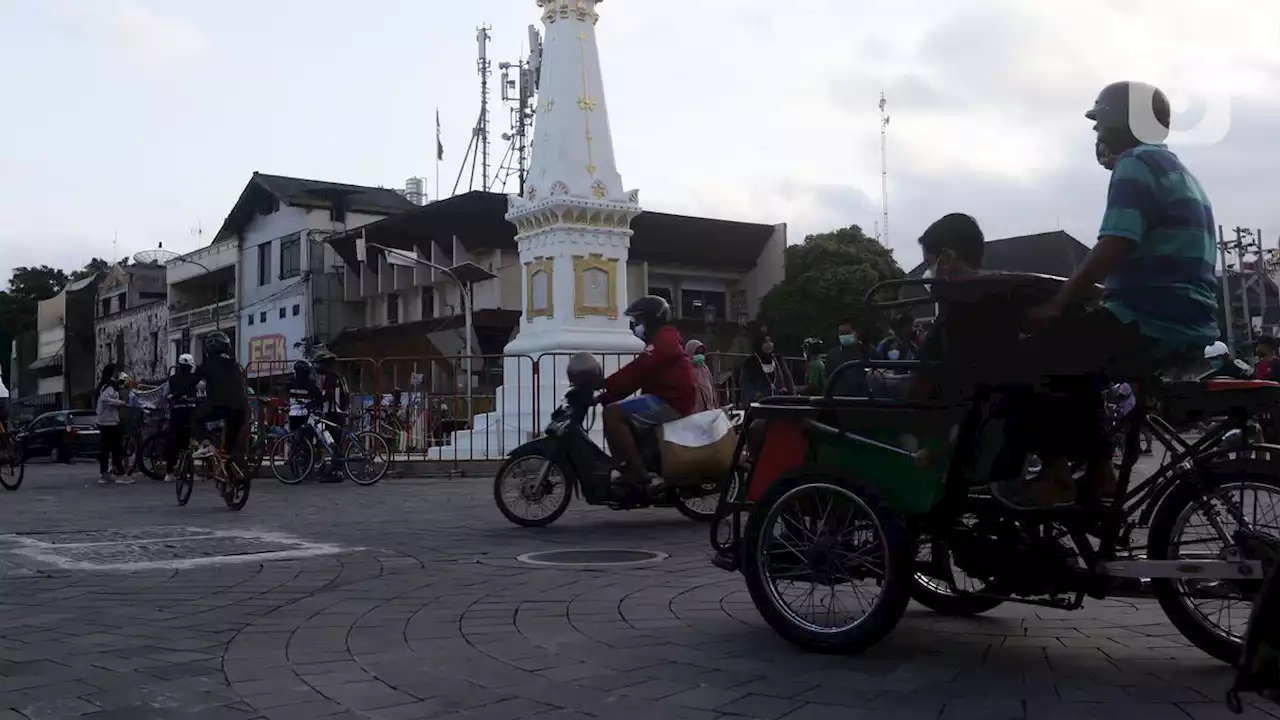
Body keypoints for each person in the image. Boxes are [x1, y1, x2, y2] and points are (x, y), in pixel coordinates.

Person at [988, 81, 1219, 510]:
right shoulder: (1178, 171)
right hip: (1187, 317)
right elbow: (1144, 259)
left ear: (1121, 122)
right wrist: (1088, 295)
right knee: (1077, 367)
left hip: (1151, 318)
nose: (1098, 137)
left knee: (1021, 358)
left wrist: (1056, 304)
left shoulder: (1135, 164)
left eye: (1101, 125)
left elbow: (1115, 243)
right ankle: (1097, 474)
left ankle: (1061, 478)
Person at [598, 295, 695, 491]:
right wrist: (606, 395)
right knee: (612, 409)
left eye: (640, 320)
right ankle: (633, 466)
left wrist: (604, 385)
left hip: (672, 401)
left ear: (653, 319)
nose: (636, 326)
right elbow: (639, 377)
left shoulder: (664, 339)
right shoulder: (660, 339)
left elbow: (639, 370)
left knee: (612, 413)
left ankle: (636, 472)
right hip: (665, 396)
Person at [191, 331, 250, 466]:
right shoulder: (235, 365)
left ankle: (206, 444)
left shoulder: (207, 365)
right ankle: (232, 470)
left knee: (196, 417)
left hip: (220, 406)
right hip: (241, 409)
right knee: (230, 445)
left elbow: (191, 382)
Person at [312, 349, 350, 483]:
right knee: (336, 443)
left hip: (332, 414)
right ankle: (338, 471)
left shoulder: (329, 379)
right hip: (339, 413)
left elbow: (326, 396)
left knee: (330, 443)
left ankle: (334, 471)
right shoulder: (338, 376)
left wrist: (317, 401)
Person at [163, 354, 200, 483]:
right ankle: (188, 473)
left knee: (173, 442)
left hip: (176, 413)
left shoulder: (172, 379)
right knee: (189, 444)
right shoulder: (196, 380)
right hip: (190, 413)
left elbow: (165, 395)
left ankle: (169, 473)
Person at [95, 365, 134, 485]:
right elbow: (104, 399)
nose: (119, 373)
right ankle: (120, 474)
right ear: (112, 373)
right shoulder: (108, 386)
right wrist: (120, 403)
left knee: (107, 449)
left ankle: (105, 474)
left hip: (106, 421)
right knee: (117, 448)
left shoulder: (107, 385)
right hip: (109, 422)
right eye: (117, 371)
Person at [825, 320, 878, 396]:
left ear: (855, 332)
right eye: (842, 334)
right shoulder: (832, 354)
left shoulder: (869, 351)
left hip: (864, 400)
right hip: (839, 400)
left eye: (847, 333)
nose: (844, 336)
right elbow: (828, 377)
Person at [738, 333, 794, 404]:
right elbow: (745, 382)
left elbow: (788, 378)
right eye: (765, 342)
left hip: (779, 400)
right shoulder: (750, 362)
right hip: (759, 402)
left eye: (770, 341)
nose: (769, 344)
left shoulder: (778, 359)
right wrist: (754, 395)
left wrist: (790, 393)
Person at [685, 339, 716, 413]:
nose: (699, 356)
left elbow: (711, 385)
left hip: (708, 405)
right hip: (694, 406)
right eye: (696, 353)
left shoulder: (704, 367)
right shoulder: (686, 368)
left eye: (701, 353)